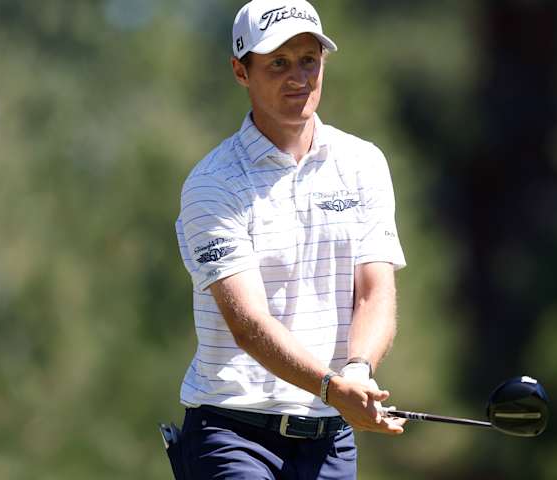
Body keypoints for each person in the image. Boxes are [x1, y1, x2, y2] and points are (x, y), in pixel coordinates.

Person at [173, 1, 407, 477]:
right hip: (232, 431)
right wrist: (332, 387)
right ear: (241, 71)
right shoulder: (213, 183)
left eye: (309, 60)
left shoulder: (363, 164)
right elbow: (249, 323)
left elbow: (374, 290)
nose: (298, 76)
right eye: (278, 63)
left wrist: (357, 372)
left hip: (329, 440)